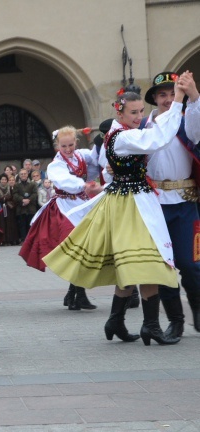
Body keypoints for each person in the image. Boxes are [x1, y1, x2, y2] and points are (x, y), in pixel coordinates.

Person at [44, 78, 192, 346]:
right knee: (149, 264)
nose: (139, 117)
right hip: (132, 205)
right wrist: (178, 100)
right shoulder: (124, 137)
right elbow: (156, 138)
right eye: (133, 113)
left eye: (140, 112)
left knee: (130, 265)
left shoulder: (118, 133)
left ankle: (116, 321)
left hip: (129, 201)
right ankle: (151, 326)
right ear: (119, 112)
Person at [142, 70, 200, 338]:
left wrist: (193, 96)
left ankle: (197, 310)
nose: (167, 99)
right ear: (154, 98)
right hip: (155, 204)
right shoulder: (143, 128)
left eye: (171, 93)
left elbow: (197, 132)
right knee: (164, 266)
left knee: (191, 263)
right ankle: (175, 321)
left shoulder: (185, 120)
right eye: (162, 94)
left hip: (185, 201)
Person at [19, 126, 101, 310]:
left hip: (81, 205)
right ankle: (77, 294)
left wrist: (99, 144)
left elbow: (94, 161)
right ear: (57, 146)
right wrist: (84, 185)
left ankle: (74, 294)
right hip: (64, 207)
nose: (68, 149)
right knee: (77, 248)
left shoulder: (80, 155)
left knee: (83, 247)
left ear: (76, 143)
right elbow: (65, 181)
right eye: (64, 146)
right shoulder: (56, 164)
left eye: (71, 145)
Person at [12, 168, 38, 243]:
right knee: (22, 225)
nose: (23, 175)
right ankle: (23, 240)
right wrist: (22, 200)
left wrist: (29, 200)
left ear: (27, 174)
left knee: (30, 224)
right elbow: (15, 195)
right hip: (21, 208)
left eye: (24, 174)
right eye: (21, 174)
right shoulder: (16, 185)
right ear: (19, 175)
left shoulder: (33, 184)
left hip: (31, 208)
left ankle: (31, 240)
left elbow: (35, 194)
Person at [0, 174, 19, 245]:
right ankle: (2, 240)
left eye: (5, 180)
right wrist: (2, 199)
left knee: (9, 224)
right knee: (1, 224)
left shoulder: (9, 187)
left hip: (8, 208)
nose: (4, 181)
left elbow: (12, 197)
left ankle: (9, 239)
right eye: (2, 179)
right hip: (0, 207)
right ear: (0, 180)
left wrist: (6, 198)